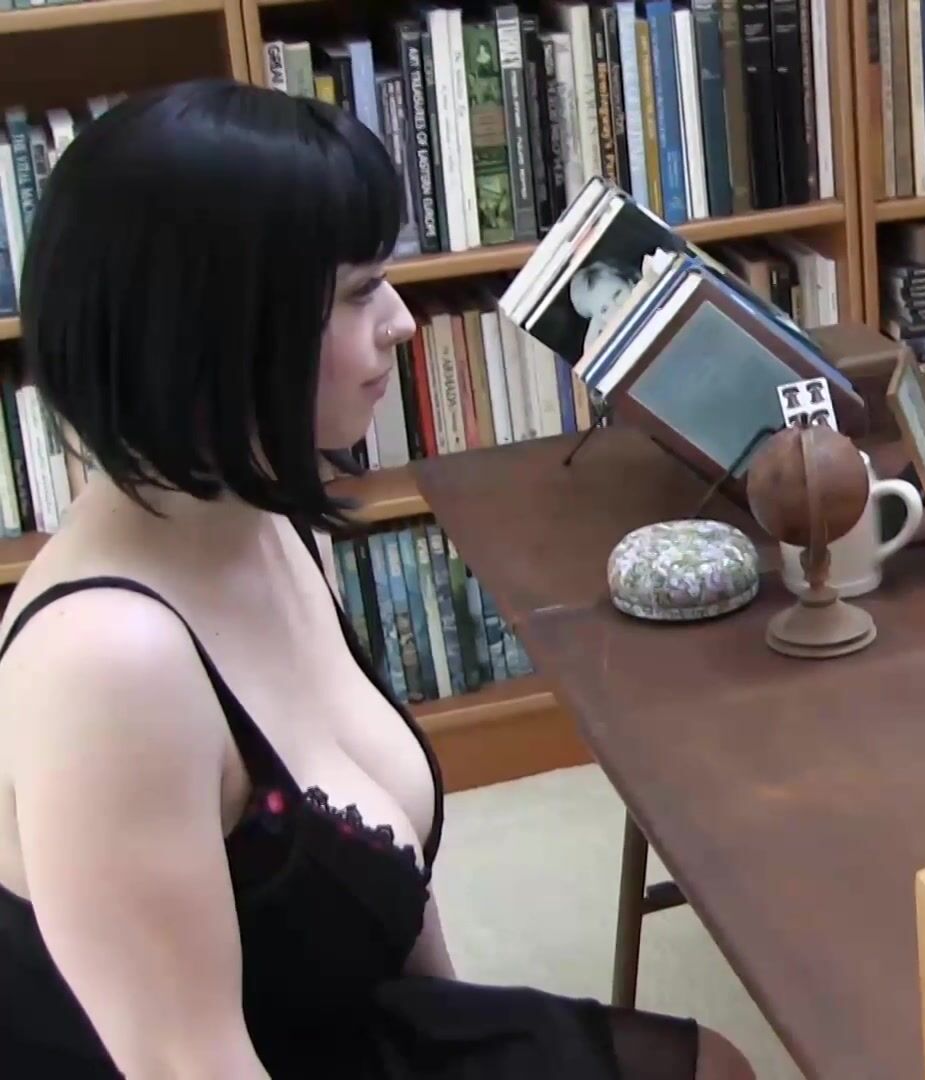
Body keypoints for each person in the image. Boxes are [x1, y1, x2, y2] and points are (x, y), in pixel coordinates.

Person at [0, 79, 755, 1079]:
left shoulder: (268, 519)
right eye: (359, 293)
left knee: (715, 1066)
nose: (403, 322)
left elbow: (383, 894)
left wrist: (473, 1035)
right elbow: (187, 1061)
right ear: (215, 328)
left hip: (326, 1021)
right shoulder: (107, 667)